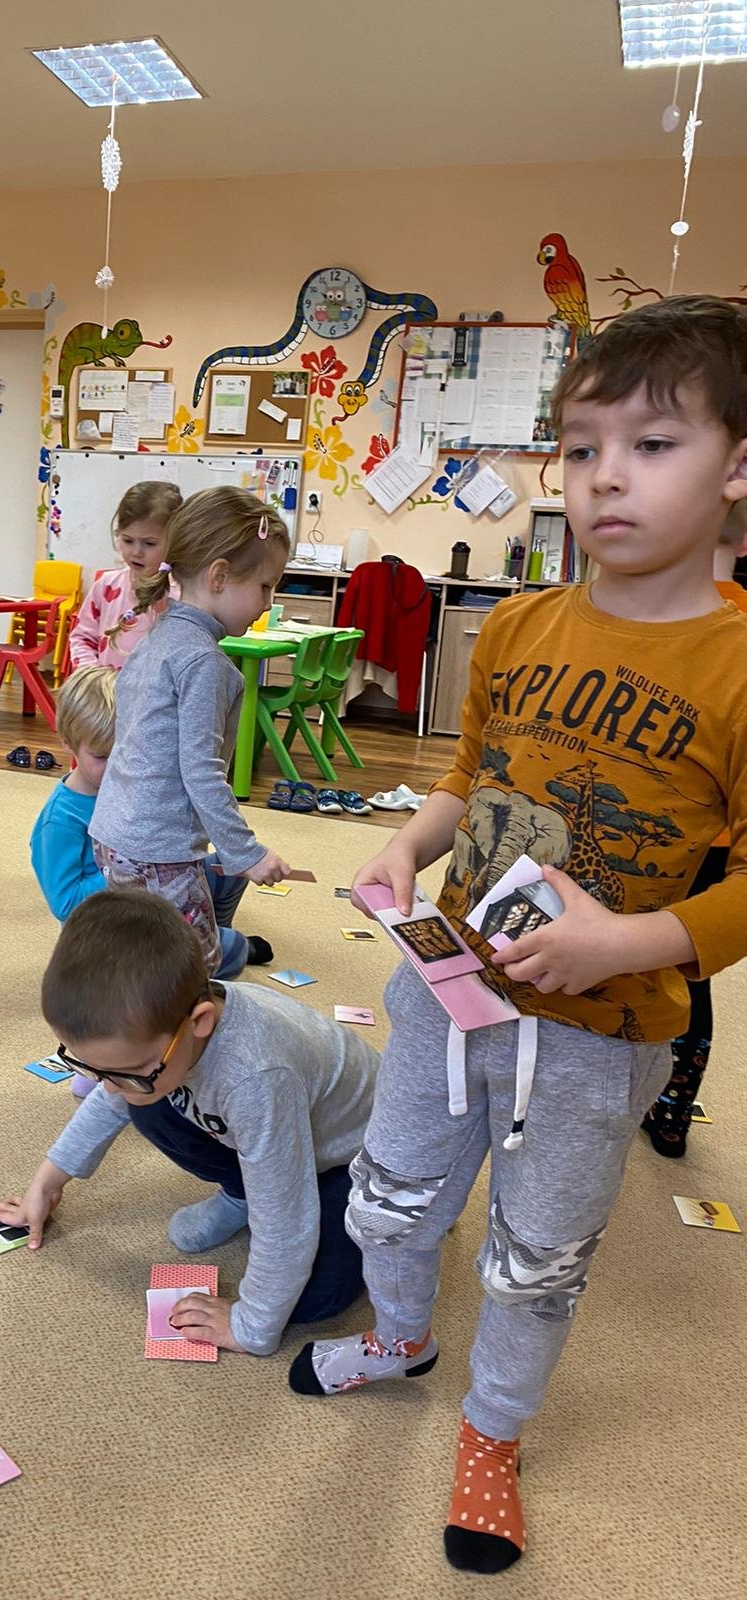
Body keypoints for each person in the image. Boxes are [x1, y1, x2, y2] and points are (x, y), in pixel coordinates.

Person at [288, 295, 747, 1575]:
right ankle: (399, 1338)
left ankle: (493, 1429)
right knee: (389, 1202)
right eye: (583, 446)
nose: (607, 475)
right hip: (447, 991)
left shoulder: (737, 661)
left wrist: (624, 942)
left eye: (653, 444)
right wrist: (408, 844)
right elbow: (469, 771)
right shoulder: (521, 623)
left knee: (536, 1257)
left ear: (738, 467)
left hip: (600, 1038)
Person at [0, 891, 377, 1355]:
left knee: (313, 1299)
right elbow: (114, 1094)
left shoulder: (257, 1078)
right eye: (93, 1070)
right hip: (282, 1133)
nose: (109, 1088)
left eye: (129, 1071)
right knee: (144, 1101)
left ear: (200, 1021)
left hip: (357, 1160)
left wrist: (251, 1326)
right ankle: (241, 1191)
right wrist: (46, 1185)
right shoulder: (170, 1023)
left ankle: (264, 1195)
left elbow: (284, 1215)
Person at [90, 486, 293, 972]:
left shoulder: (160, 634)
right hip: (157, 848)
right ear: (219, 576)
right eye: (265, 586)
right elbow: (201, 772)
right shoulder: (204, 661)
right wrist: (246, 852)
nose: (268, 602)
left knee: (143, 952)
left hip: (113, 833)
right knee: (193, 966)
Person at [29, 663, 273, 975]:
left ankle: (210, 926)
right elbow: (65, 904)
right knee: (234, 949)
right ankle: (215, 942)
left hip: (157, 892)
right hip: (115, 929)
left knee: (231, 867)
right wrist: (129, 870)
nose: (116, 766)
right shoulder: (59, 821)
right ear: (68, 742)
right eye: (101, 757)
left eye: (126, 752)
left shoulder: (133, 785)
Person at [641, 514, 747, 1157]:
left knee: (637, 958)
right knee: (689, 971)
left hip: (669, 832)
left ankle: (650, 1094)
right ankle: (673, 1110)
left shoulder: (672, 624)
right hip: (716, 841)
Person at [69, 480, 182, 670]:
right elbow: (82, 638)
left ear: (175, 541)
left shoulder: (182, 596)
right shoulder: (106, 586)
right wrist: (92, 676)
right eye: (128, 540)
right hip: (105, 688)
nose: (136, 552)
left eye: (150, 543)